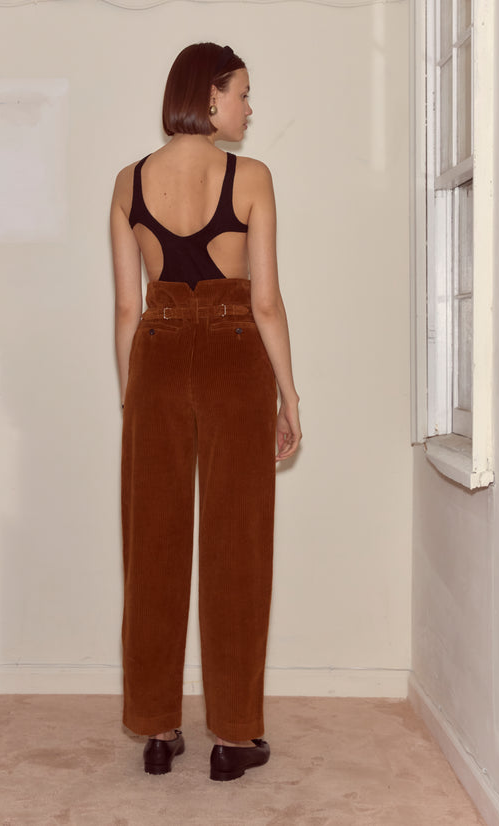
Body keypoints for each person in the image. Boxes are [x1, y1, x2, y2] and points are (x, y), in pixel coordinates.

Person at [110, 42, 301, 782]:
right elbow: (266, 301)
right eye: (244, 94)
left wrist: (136, 393)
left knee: (151, 544)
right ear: (209, 95)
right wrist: (290, 393)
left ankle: (157, 730)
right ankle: (233, 736)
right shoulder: (249, 177)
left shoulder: (128, 182)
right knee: (237, 546)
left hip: (156, 354)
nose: (250, 109)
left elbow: (129, 304)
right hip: (231, 356)